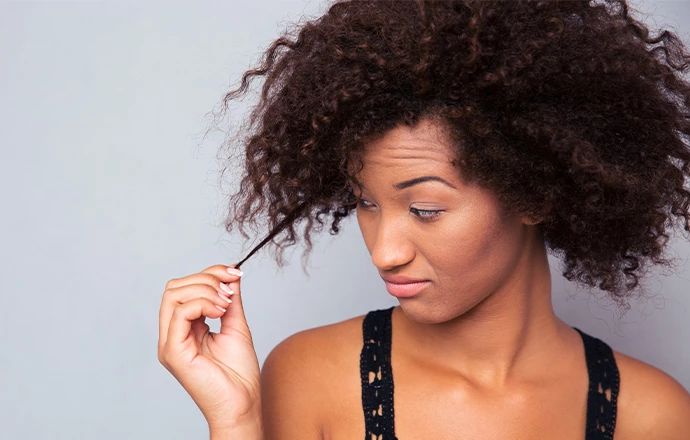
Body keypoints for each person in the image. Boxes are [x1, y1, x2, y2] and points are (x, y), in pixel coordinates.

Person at [157, 0, 690, 438]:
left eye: (424, 210)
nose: (386, 252)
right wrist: (236, 422)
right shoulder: (311, 377)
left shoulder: (653, 416)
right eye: (366, 203)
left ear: (534, 194)